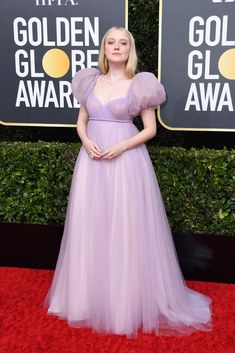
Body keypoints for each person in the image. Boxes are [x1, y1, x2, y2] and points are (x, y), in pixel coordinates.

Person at [44, 26, 212, 338]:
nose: (117, 47)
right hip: (91, 160)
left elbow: (150, 129)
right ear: (104, 48)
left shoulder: (140, 83)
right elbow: (81, 120)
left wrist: (120, 147)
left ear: (129, 49)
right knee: (91, 225)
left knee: (125, 228)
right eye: (111, 42)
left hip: (125, 161)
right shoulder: (88, 80)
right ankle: (87, 298)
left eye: (123, 43)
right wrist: (85, 140)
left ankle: (127, 302)